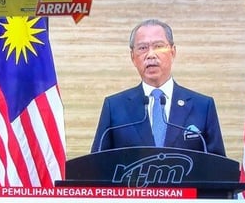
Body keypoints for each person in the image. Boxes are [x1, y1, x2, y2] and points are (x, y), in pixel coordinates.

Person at [91, 19, 226, 156]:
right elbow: (97, 168)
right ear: (133, 57)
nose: (151, 55)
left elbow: (218, 169)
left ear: (173, 52)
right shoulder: (114, 107)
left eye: (158, 46)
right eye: (143, 48)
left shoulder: (202, 106)